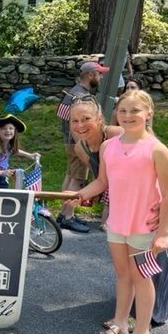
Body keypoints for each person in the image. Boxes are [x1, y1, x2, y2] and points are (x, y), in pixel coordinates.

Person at [78, 90, 168, 334]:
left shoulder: (157, 149)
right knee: (123, 275)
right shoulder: (109, 146)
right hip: (117, 223)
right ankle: (121, 323)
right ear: (116, 114)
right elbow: (102, 182)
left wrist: (163, 233)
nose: (128, 116)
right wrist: (83, 192)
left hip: (144, 226)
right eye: (123, 111)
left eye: (135, 111)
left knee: (141, 277)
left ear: (148, 113)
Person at [56, 61, 107, 233]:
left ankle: (64, 213)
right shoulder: (82, 97)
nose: (100, 78)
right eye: (99, 74)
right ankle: (68, 217)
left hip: (69, 140)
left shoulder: (73, 92)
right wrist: (83, 144)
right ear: (91, 75)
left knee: (70, 175)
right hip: (77, 141)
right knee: (77, 179)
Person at [0, 115, 40, 189]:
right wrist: (1, 173)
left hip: (2, 179)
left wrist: (29, 155)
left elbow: (15, 151)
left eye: (11, 128)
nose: (8, 131)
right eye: (4, 128)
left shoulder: (8, 147)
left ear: (14, 131)